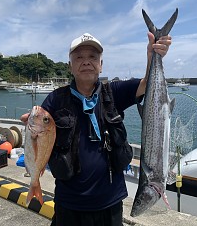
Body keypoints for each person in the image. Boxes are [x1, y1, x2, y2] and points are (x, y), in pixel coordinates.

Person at [21, 32, 172, 226]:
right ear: (70, 66)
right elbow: (40, 125)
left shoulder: (114, 92)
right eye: (79, 57)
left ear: (101, 65)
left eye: (92, 57)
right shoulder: (56, 99)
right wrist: (31, 126)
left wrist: (153, 57)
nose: (86, 62)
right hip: (69, 203)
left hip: (110, 203)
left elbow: (146, 85)